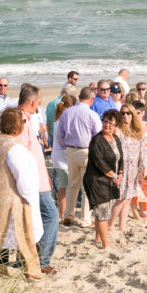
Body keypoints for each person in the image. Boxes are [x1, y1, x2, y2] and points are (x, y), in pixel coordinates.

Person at [0, 109, 42, 280]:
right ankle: (31, 269)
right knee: (27, 234)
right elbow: (24, 179)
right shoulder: (15, 149)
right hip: (11, 199)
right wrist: (30, 199)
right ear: (18, 127)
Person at [15, 84, 58, 274]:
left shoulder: (23, 118)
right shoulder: (21, 120)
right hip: (33, 182)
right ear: (33, 102)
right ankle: (42, 260)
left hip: (37, 179)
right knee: (51, 215)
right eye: (38, 102)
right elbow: (19, 154)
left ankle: (25, 258)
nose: (39, 105)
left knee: (32, 218)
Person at [54, 86, 99, 228]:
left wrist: (66, 146)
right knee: (86, 187)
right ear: (92, 99)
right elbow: (98, 136)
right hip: (86, 151)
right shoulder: (92, 114)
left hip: (71, 150)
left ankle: (68, 215)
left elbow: (59, 134)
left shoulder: (67, 112)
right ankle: (85, 219)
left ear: (79, 97)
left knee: (72, 184)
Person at [110, 107, 147, 239]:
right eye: (123, 113)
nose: (125, 115)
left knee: (128, 199)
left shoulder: (136, 131)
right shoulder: (118, 130)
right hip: (121, 169)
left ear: (132, 114)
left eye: (128, 113)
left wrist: (145, 168)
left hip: (133, 169)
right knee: (121, 198)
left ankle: (122, 226)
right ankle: (110, 225)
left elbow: (143, 150)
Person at [85, 110, 123, 249]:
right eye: (105, 121)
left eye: (111, 123)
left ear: (116, 126)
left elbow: (121, 158)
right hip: (97, 180)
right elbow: (99, 162)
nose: (107, 125)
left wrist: (120, 173)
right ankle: (106, 244)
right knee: (102, 213)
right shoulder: (97, 140)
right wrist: (114, 176)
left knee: (104, 210)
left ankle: (98, 239)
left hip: (110, 181)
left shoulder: (116, 139)